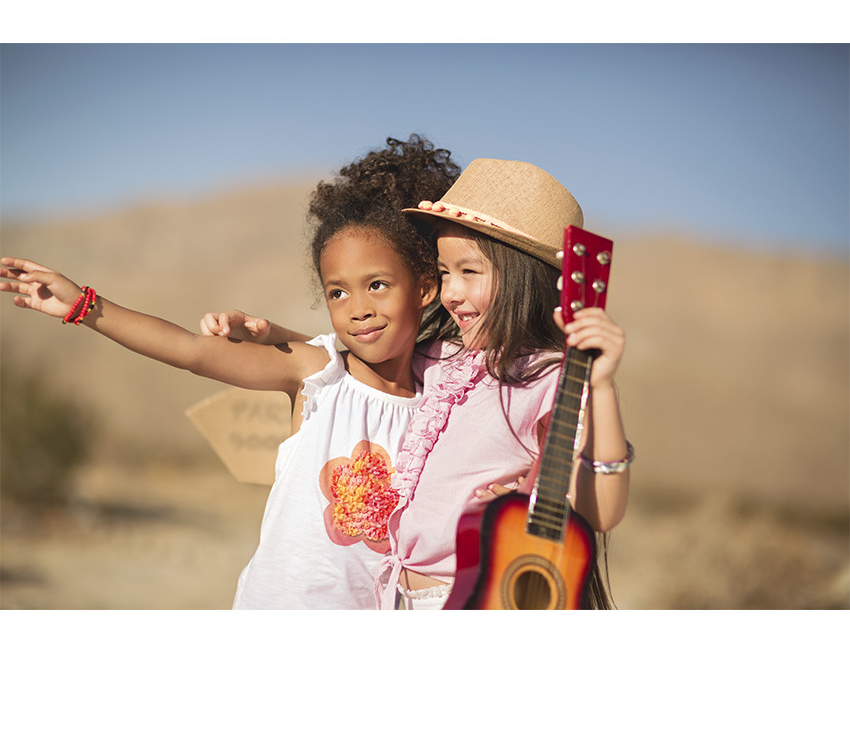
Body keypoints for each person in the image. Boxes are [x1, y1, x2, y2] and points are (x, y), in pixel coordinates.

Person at [0, 135, 462, 610]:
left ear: (425, 287)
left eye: (377, 285)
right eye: (338, 293)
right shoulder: (318, 373)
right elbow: (190, 351)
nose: (357, 309)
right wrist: (84, 306)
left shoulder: (443, 403)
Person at [203, 158, 632, 610]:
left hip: (462, 599)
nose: (450, 294)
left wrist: (600, 389)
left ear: (523, 276)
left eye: (469, 272)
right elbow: (362, 354)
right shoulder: (444, 360)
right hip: (392, 598)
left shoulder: (549, 378)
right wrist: (274, 334)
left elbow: (602, 509)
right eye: (445, 273)